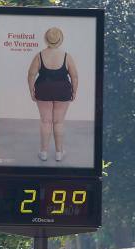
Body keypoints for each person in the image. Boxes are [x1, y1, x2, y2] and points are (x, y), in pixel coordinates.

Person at [27, 27, 79, 163]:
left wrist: (31, 90)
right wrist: (74, 91)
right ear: (60, 40)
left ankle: (43, 153)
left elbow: (31, 74)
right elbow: (75, 76)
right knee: (59, 122)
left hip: (43, 89)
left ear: (46, 39)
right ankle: (59, 153)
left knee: (45, 121)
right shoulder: (67, 56)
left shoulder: (39, 56)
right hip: (62, 90)